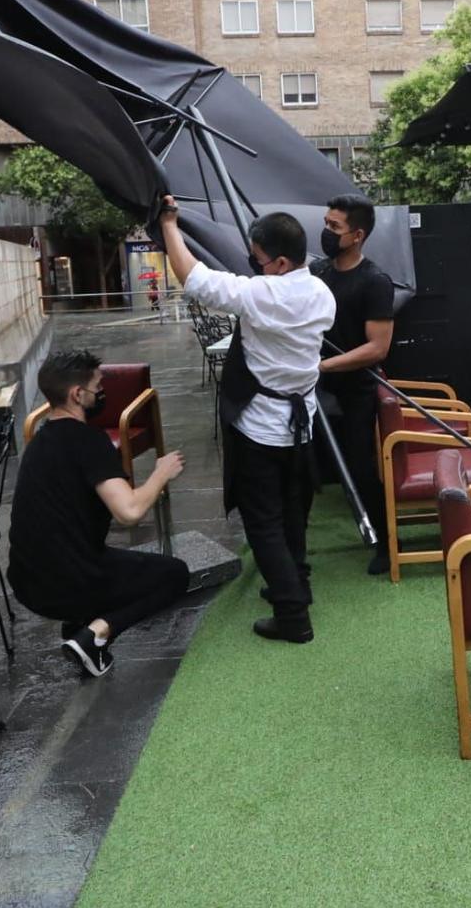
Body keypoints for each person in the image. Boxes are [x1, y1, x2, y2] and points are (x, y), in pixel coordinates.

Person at [157, 196, 334, 644]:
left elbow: (193, 278)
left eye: (258, 261)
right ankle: (296, 586)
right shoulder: (321, 293)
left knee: (264, 524)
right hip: (302, 426)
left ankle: (293, 617)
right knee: (293, 514)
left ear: (278, 261)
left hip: (262, 427)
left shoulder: (262, 296)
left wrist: (169, 225)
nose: (253, 267)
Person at [7, 349, 188, 677]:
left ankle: (79, 622)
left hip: (26, 583)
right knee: (173, 574)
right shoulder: (90, 442)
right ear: (77, 394)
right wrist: (162, 472)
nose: (102, 393)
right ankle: (96, 635)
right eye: (97, 386)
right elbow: (129, 512)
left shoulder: (38, 441)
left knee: (108, 559)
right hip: (69, 582)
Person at [311, 193, 397, 575]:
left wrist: (324, 366)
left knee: (362, 468)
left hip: (355, 390)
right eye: (326, 224)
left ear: (357, 235)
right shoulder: (316, 274)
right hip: (314, 386)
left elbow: (377, 349)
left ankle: (386, 544)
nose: (326, 232)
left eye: (334, 227)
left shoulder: (375, 281)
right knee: (303, 468)